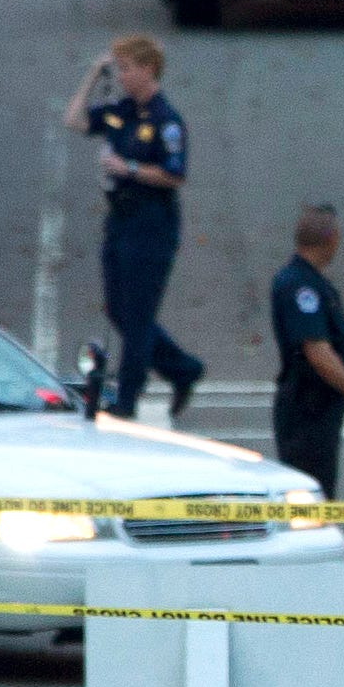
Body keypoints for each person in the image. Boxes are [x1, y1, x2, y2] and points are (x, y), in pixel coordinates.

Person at [75, 36, 204, 420]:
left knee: (139, 314)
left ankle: (128, 397)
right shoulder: (122, 112)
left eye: (126, 68)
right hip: (120, 221)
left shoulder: (167, 122)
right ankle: (183, 368)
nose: (121, 76)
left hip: (152, 224)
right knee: (118, 309)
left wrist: (128, 168)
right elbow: (76, 119)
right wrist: (93, 74)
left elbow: (174, 174)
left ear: (148, 70)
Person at [267, 205, 344, 499]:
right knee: (311, 496)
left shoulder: (304, 281)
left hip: (313, 409)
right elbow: (319, 353)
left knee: (317, 492)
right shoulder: (303, 288)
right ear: (331, 238)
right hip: (308, 410)